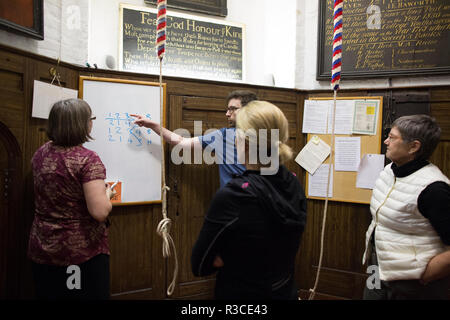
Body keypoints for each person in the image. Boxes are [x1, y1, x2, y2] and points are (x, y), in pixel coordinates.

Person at [191, 101, 307, 300]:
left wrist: (229, 257)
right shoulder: (294, 183)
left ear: (244, 142)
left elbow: (200, 264)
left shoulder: (235, 195)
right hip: (285, 292)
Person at [28, 98, 115, 300]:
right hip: (79, 254)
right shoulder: (87, 159)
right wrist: (108, 194)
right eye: (90, 118)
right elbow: (100, 212)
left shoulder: (41, 153)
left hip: (42, 248)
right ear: (84, 124)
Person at [362, 114, 450, 300]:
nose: (386, 141)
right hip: (377, 266)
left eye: (392, 137)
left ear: (414, 146)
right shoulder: (389, 171)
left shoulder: (434, 188)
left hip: (410, 282)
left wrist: (426, 276)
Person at [131, 90, 257, 188]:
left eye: (232, 109)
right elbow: (181, 142)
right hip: (240, 202)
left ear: (247, 110)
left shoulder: (266, 135)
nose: (227, 114)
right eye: (227, 109)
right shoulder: (223, 136)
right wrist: (154, 125)